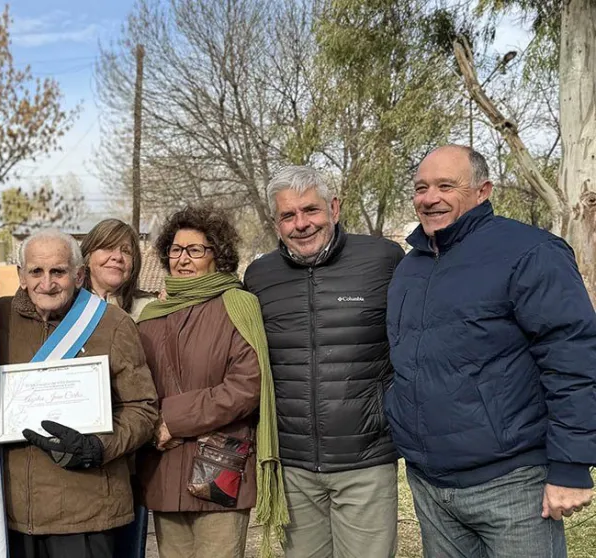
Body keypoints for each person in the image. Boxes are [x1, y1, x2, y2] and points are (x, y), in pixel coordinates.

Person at [386, 145, 596, 558]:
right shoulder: (411, 266)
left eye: (447, 185)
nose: (430, 198)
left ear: (483, 191)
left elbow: (574, 359)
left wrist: (571, 466)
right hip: (429, 484)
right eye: (421, 187)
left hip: (511, 484)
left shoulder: (531, 253)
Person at [242, 166, 403, 558]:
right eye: (287, 215)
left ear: (333, 207)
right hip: (293, 465)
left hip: (365, 459)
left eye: (310, 210)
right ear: (276, 222)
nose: (301, 224)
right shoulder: (259, 276)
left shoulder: (383, 260)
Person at [136, 206, 286, 558]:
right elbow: (138, 386)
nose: (182, 259)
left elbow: (245, 387)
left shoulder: (238, 306)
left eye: (195, 250)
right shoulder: (151, 316)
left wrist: (170, 421)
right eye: (175, 249)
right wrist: (149, 425)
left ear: (217, 255)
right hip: (163, 468)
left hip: (219, 468)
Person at [0, 229, 159, 558]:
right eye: (36, 272)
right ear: (21, 276)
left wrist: (99, 447)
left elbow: (142, 410)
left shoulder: (112, 325)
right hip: (9, 515)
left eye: (58, 271)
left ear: (78, 274)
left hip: (87, 513)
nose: (47, 283)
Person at [80, 218, 157, 557]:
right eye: (108, 248)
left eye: (126, 251)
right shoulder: (64, 309)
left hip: (129, 456)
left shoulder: (147, 312)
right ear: (86, 257)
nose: (117, 257)